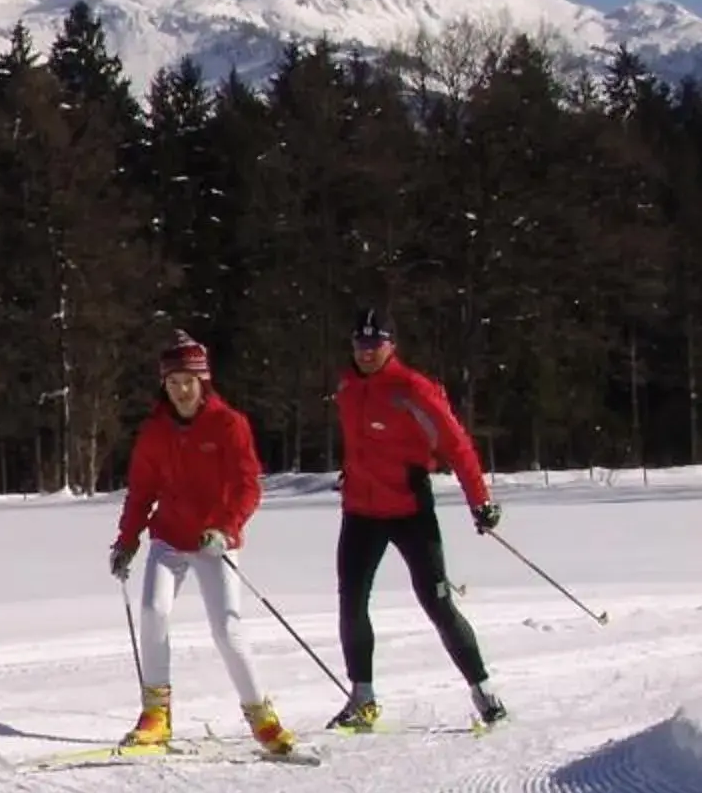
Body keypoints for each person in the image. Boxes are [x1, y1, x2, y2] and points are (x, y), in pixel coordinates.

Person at [108, 333, 293, 756]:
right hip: (169, 538)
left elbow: (248, 485)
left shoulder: (229, 424)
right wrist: (126, 541)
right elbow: (140, 492)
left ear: (203, 380)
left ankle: (263, 719)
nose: (180, 390)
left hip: (214, 541)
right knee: (153, 612)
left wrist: (226, 529)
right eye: (172, 382)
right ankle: (156, 717)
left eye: (187, 381)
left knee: (227, 629)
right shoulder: (156, 431)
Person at [330, 309, 504, 730]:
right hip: (360, 512)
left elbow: (457, 445)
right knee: (352, 604)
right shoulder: (347, 386)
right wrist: (351, 473)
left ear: (392, 345)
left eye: (376, 344)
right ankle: (363, 697)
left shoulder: (412, 388)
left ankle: (484, 692)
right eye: (361, 344)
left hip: (409, 510)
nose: (367, 352)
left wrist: (479, 501)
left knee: (438, 603)